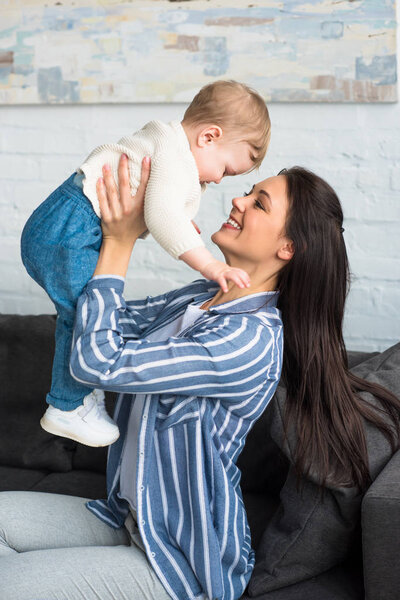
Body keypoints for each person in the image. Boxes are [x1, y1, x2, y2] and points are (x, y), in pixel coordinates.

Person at [3, 157, 399, 600]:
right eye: (249, 192)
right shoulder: (202, 297)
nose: (238, 199)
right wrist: (75, 235)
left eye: (259, 203)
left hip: (179, 562)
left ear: (288, 247)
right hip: (126, 517)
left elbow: (98, 363)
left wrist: (120, 242)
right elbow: (100, 324)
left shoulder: (249, 340)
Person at [20, 80, 271, 448]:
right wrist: (210, 266)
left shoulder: (167, 141)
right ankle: (67, 406)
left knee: (91, 311)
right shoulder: (173, 154)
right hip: (67, 230)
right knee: (84, 314)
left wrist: (179, 221)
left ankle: (77, 396)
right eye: (227, 170)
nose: (219, 180)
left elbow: (161, 204)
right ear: (209, 137)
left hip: (66, 225)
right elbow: (161, 214)